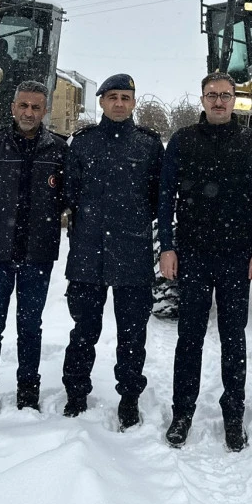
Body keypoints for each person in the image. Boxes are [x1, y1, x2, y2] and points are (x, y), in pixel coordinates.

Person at [158, 72, 252, 451]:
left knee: (232, 338)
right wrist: (167, 247)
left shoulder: (251, 143)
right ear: (202, 99)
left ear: (235, 98)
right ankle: (182, 412)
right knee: (189, 337)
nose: (219, 102)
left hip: (236, 257)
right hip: (192, 254)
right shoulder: (183, 141)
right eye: (212, 95)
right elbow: (165, 197)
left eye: (225, 95)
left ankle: (234, 414)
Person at [61, 73, 163, 430]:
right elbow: (70, 194)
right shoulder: (83, 143)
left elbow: (155, 200)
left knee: (132, 335)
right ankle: (75, 393)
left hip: (132, 254)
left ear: (134, 103)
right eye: (113, 97)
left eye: (126, 97)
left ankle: (130, 398)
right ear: (101, 102)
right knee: (84, 330)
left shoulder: (149, 146)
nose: (119, 103)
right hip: (88, 253)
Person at [0, 81, 68, 419]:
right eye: (23, 106)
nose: (29, 113)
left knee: (30, 325)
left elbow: (68, 198)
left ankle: (27, 391)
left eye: (36, 107)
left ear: (45, 110)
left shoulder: (58, 151)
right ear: (12, 107)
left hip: (38, 253)